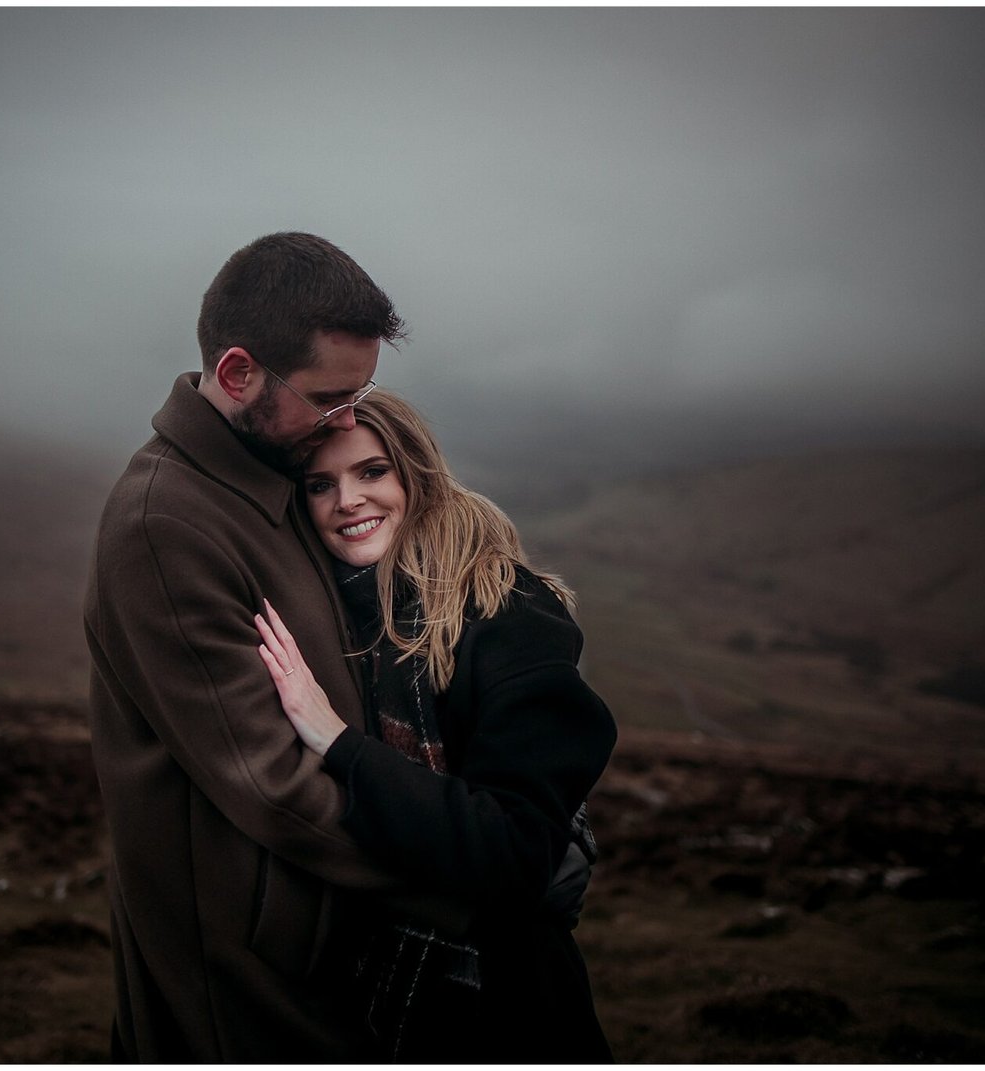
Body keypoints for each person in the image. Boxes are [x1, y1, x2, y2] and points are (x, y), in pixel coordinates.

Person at [83, 233, 468, 1062]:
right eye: (329, 398)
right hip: (242, 980)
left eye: (362, 395)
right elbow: (274, 787)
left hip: (329, 946)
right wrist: (465, 871)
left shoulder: (277, 471)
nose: (350, 421)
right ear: (236, 375)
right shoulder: (165, 525)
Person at [254, 389, 618, 1062]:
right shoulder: (346, 617)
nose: (347, 500)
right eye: (320, 484)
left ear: (414, 472)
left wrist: (336, 741)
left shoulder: (508, 613)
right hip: (377, 992)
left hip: (505, 1001)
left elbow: (512, 850)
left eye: (371, 471)